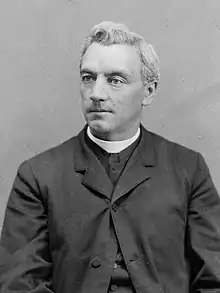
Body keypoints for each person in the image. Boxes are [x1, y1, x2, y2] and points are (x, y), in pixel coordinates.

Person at [0, 21, 220, 293]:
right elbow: (20, 283)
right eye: (88, 78)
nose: (97, 94)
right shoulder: (37, 175)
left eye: (115, 80)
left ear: (148, 91)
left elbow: (214, 278)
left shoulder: (188, 169)